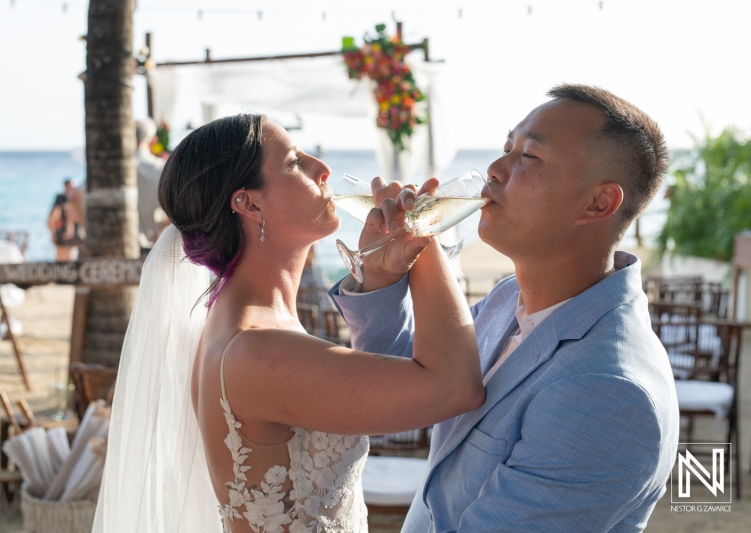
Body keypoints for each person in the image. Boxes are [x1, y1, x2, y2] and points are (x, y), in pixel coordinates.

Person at [92, 114, 484, 532]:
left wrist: (382, 276)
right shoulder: (255, 349)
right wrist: (422, 229)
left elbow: (371, 388)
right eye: (296, 161)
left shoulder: (247, 323)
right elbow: (455, 387)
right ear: (250, 204)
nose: (323, 169)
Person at [329, 84, 679, 532]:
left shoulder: (608, 390)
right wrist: (384, 277)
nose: (493, 169)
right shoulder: (506, 300)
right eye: (506, 148)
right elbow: (403, 382)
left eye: (528, 156)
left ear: (598, 203)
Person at [135, 118, 169, 249]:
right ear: (153, 141)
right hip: (155, 245)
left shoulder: (114, 167)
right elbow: (184, 202)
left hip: (118, 247)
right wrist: (164, 229)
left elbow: (75, 195)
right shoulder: (162, 169)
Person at [46, 179, 84, 260]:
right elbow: (52, 218)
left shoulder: (74, 199)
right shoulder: (62, 199)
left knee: (68, 259)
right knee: (62, 259)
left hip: (70, 235)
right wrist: (53, 233)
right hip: (62, 233)